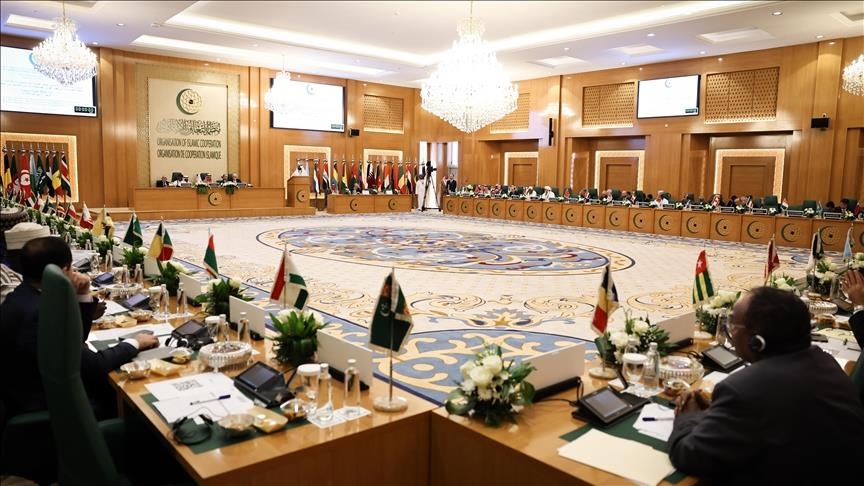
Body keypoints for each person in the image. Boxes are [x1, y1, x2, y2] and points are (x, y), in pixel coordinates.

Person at [668, 287, 864, 484]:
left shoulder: (744, 390)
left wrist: (689, 416)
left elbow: (689, 455)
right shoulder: (825, 362)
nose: (730, 331)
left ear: (757, 341)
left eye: (733, 325)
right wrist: (718, 414)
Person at [0, 236, 159, 418]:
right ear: (62, 272)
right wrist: (135, 342)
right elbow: (95, 366)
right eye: (71, 268)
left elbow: (75, 340)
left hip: (26, 394)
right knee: (135, 396)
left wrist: (82, 294)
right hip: (48, 409)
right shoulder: (41, 313)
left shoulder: (21, 296)